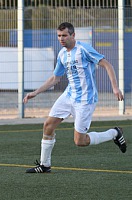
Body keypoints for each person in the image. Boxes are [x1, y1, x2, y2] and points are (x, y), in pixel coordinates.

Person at [23, 22, 126, 173]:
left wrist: (115, 87)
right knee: (48, 126)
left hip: (85, 99)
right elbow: (55, 78)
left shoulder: (83, 49)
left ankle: (114, 133)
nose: (61, 39)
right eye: (59, 36)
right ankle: (45, 165)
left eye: (64, 35)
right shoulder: (62, 54)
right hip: (68, 95)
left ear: (73, 35)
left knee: (80, 141)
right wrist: (35, 92)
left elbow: (107, 65)